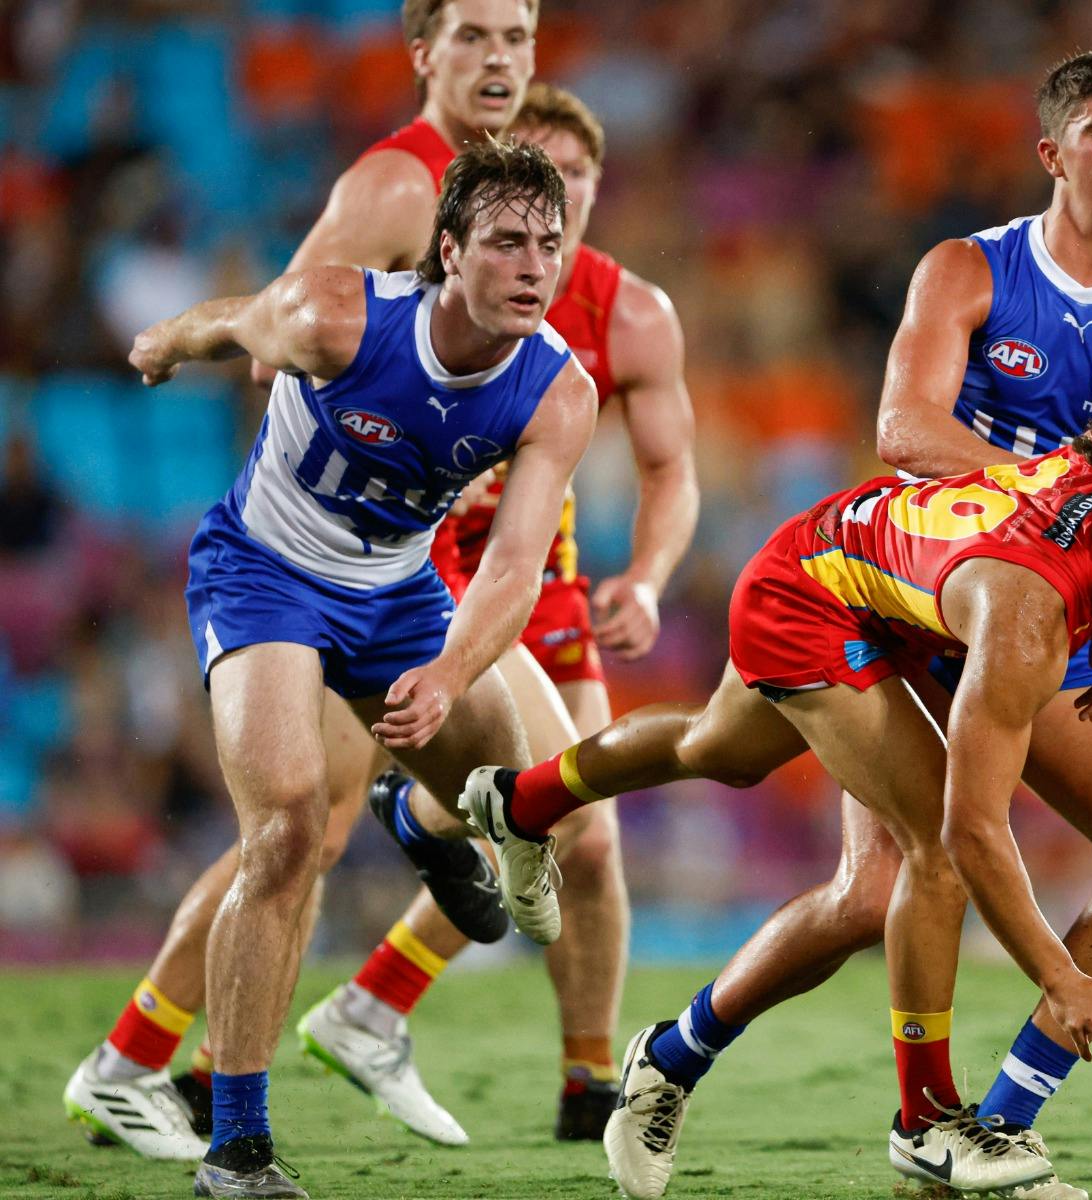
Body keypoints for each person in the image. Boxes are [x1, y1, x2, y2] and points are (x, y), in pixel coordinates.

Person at [569, 47, 1092, 1200]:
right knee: (874, 880)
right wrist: (1045, 503)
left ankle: (988, 1127)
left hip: (1048, 609)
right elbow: (903, 427)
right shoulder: (967, 272)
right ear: (1053, 153)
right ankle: (677, 1047)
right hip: (911, 599)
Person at [483, 395, 1092, 1196]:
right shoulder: (1025, 615)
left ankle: (524, 805)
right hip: (813, 598)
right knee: (932, 852)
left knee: (715, 748)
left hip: (882, 576)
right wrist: (1063, 978)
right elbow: (975, 832)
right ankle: (929, 1124)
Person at [59, 1, 626, 1155]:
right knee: (283, 835)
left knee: (540, 805)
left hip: (403, 588)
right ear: (449, 249)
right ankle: (234, 1136)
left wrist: (453, 664)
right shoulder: (380, 219)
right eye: (476, 35)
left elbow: (517, 560)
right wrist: (173, 338)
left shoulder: (562, 382)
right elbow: (268, 320)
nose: (532, 265)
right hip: (271, 569)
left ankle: (443, 844)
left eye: (548, 242)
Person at [308, 80, 697, 1140]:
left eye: (574, 179)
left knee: (594, 838)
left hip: (543, 580)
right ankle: (205, 1061)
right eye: (536, 171)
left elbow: (672, 470)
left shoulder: (626, 311)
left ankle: (572, 1078)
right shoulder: (434, 278)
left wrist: (650, 577)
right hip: (419, 569)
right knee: (311, 819)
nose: (555, 197)